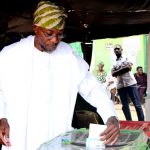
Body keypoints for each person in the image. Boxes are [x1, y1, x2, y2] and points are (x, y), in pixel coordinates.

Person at [0, 1, 119, 150]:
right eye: (49, 33)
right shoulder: (10, 55)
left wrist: (110, 115)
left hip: (57, 141)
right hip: (20, 141)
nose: (55, 40)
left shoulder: (68, 55)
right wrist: (1, 116)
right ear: (35, 28)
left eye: (60, 34)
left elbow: (93, 88)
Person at [111, 44, 144, 121]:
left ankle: (141, 122)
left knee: (137, 104)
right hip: (120, 86)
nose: (116, 50)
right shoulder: (113, 61)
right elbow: (113, 73)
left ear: (121, 50)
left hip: (130, 83)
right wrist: (123, 68)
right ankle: (129, 122)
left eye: (118, 48)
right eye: (115, 49)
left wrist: (117, 70)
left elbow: (129, 68)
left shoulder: (127, 57)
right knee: (125, 106)